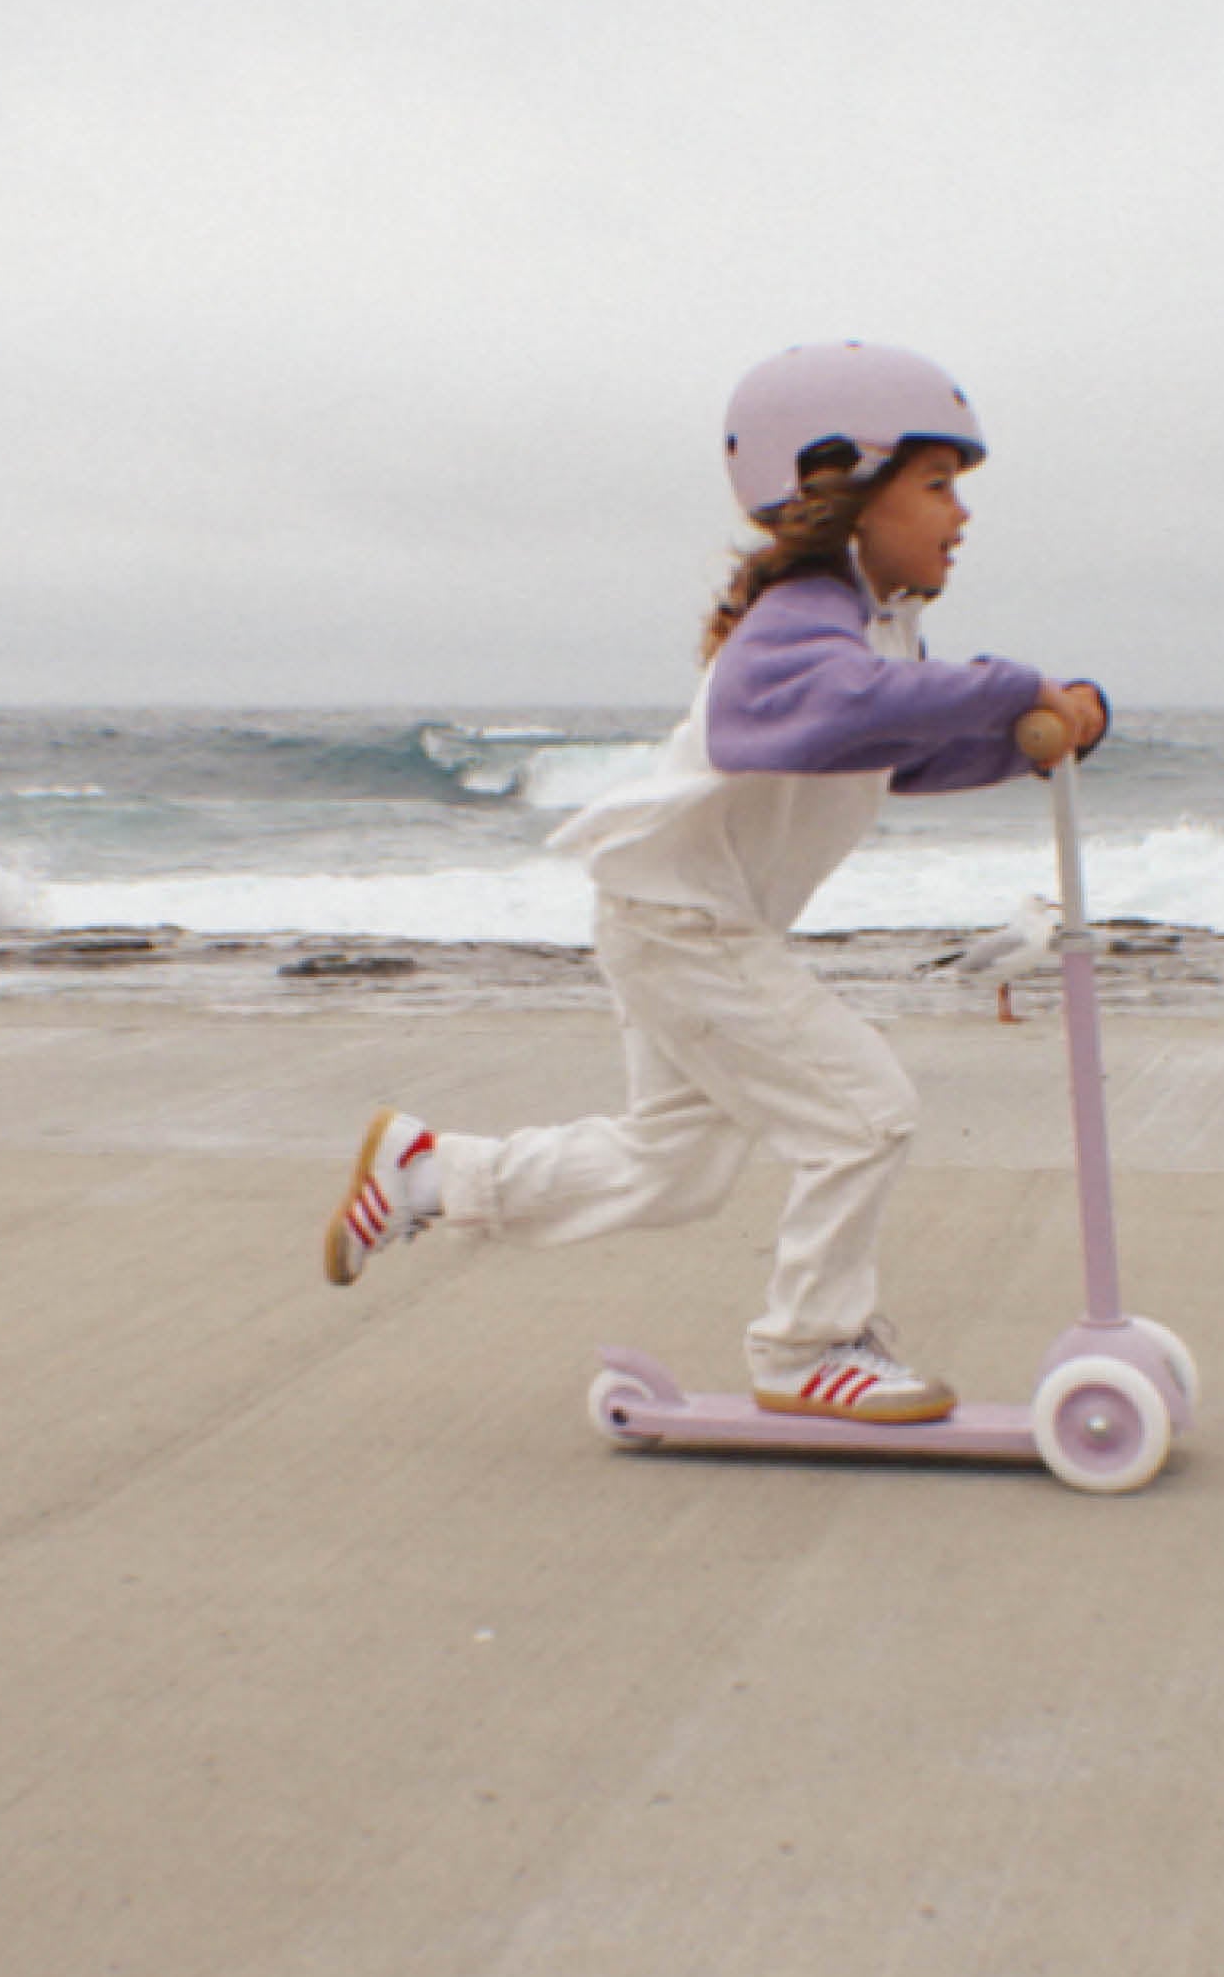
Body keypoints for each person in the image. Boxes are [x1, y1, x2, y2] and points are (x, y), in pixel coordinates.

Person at [322, 341, 1107, 1423]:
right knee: (863, 1113)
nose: (959, 515)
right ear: (847, 486)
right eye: (936, 486)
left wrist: (1030, 745)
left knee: (671, 1168)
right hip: (685, 922)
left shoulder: (876, 620)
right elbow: (779, 715)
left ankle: (433, 1172)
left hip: (680, 916)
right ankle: (805, 1348)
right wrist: (1014, 688)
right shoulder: (802, 613)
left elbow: (887, 750)